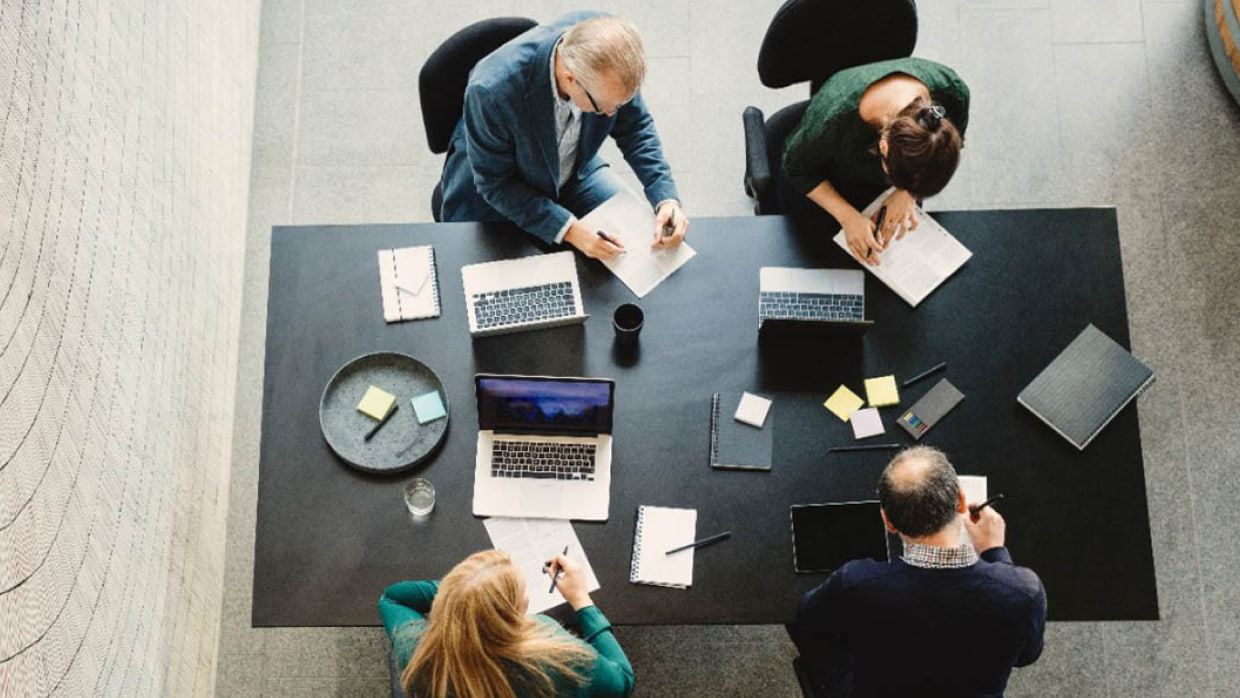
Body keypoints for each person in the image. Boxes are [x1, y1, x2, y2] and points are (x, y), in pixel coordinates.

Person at [791, 446, 1046, 698]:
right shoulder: (1023, 591)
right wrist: (996, 553)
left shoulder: (857, 582)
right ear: (961, 502)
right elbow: (1026, 655)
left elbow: (807, 615)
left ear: (888, 522)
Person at [440, 12, 689, 260]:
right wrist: (570, 229)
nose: (611, 114)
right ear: (570, 78)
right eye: (603, 107)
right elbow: (496, 184)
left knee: (635, 248)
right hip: (498, 193)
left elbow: (635, 127)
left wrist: (665, 198)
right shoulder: (491, 91)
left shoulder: (609, 52)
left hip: (573, 171)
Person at [781, 57, 969, 266]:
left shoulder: (954, 91)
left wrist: (906, 194)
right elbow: (796, 168)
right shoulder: (832, 120)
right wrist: (848, 218)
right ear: (883, 147)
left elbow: (954, 139)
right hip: (834, 175)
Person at [378, 549, 634, 698]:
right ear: (514, 611)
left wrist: (464, 595)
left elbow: (392, 598)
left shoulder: (417, 652)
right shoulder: (560, 655)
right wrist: (581, 600)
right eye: (523, 590)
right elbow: (622, 682)